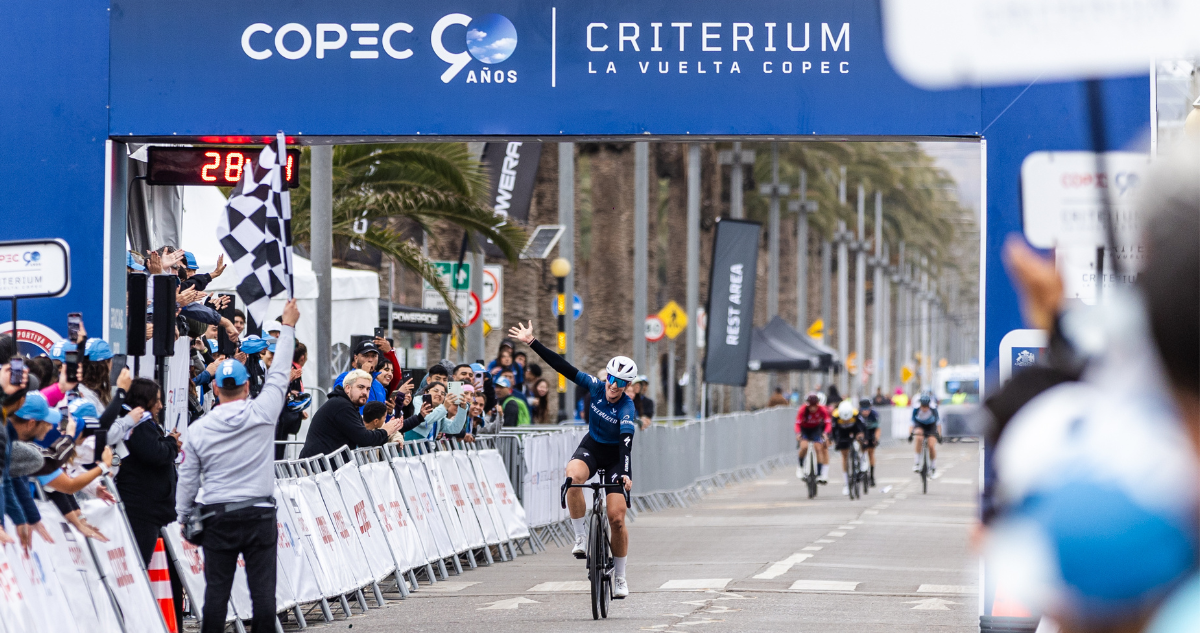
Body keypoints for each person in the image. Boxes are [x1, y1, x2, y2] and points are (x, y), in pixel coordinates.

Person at [176, 299, 299, 633]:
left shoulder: (198, 430)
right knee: (263, 595)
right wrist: (288, 326)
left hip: (217, 514)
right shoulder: (262, 414)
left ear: (215, 388)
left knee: (216, 591)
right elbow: (279, 373)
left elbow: (187, 479)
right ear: (247, 386)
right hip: (258, 512)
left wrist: (183, 515)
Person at [508, 320, 636, 599]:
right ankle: (580, 536)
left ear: (627, 386)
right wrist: (532, 342)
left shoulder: (627, 407)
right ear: (607, 378)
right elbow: (562, 367)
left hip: (616, 457)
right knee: (572, 477)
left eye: (621, 383)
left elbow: (626, 443)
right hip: (592, 446)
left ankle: (621, 576)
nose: (614, 386)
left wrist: (625, 473)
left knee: (616, 518)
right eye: (612, 380)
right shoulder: (596, 386)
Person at [116, 378, 181, 564]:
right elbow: (155, 453)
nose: (160, 406)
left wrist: (169, 442)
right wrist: (171, 444)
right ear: (144, 401)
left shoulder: (145, 425)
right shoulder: (137, 426)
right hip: (141, 510)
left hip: (154, 510)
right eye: (157, 400)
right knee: (139, 562)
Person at [299, 369, 407, 458]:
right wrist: (386, 431)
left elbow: (365, 434)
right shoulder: (341, 406)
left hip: (324, 470)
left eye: (368, 389)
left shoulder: (349, 405)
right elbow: (364, 439)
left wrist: (391, 432)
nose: (365, 392)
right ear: (347, 388)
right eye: (360, 387)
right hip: (315, 472)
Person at [830, 400, 866, 496]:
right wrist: (834, 440)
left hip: (854, 429)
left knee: (860, 439)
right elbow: (833, 431)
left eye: (848, 419)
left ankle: (862, 461)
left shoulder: (855, 413)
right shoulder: (835, 415)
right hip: (842, 432)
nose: (846, 421)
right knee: (844, 455)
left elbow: (863, 427)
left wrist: (862, 437)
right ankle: (846, 483)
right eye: (844, 419)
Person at [795, 393, 831, 483]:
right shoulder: (802, 409)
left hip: (816, 429)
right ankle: (800, 466)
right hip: (805, 430)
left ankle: (819, 473)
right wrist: (798, 433)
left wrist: (825, 433)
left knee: (818, 448)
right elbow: (797, 423)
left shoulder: (822, 409)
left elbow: (828, 423)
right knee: (804, 447)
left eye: (815, 406)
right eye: (811, 406)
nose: (813, 408)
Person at [910, 393, 940, 475]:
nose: (924, 409)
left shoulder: (933, 409)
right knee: (919, 437)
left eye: (926, 406)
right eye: (923, 406)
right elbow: (912, 423)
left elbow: (938, 423)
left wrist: (939, 436)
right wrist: (910, 434)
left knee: (931, 445)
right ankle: (917, 462)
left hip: (931, 425)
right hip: (920, 424)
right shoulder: (916, 409)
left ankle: (933, 465)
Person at [857, 398, 880, 487]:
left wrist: (876, 439)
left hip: (871, 432)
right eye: (863, 409)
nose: (865, 412)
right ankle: (860, 468)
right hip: (861, 432)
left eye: (867, 409)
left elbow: (878, 429)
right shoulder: (857, 415)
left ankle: (872, 476)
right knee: (861, 447)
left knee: (871, 452)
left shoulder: (874, 414)